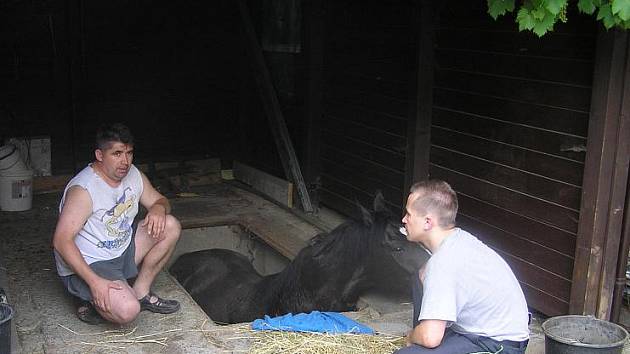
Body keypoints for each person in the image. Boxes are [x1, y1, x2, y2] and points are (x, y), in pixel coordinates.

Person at [52, 123, 181, 325]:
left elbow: (161, 201)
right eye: (117, 153)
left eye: (129, 153)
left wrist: (158, 208)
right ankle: (85, 294)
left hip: (121, 250)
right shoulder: (84, 189)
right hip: (92, 262)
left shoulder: (134, 175)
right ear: (100, 155)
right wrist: (95, 283)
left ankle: (140, 291)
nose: (125, 161)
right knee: (128, 311)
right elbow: (61, 241)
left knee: (171, 225)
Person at [396, 180, 529, 354]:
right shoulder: (458, 240)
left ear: (427, 222)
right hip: (488, 333)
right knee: (420, 275)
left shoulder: (443, 263)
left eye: (409, 214)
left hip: (499, 345)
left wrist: (412, 336)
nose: (404, 219)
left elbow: (430, 338)